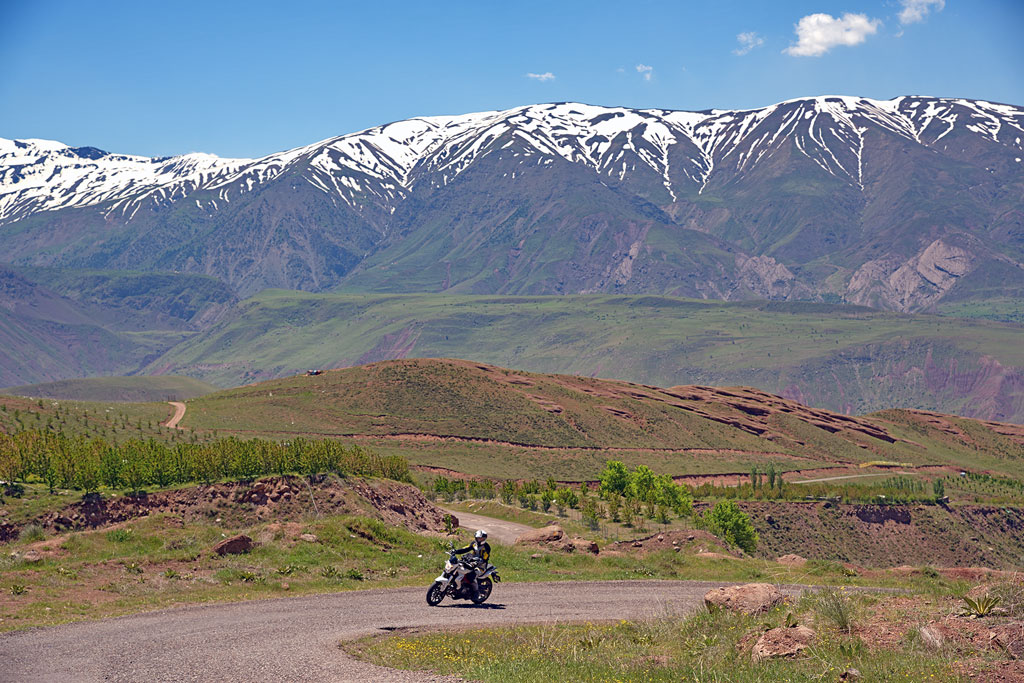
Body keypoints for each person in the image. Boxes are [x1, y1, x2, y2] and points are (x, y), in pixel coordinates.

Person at [453, 530, 490, 594]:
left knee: (471, 575)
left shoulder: (487, 547)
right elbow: (466, 549)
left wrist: (477, 562)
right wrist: (456, 551)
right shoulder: (474, 544)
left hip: (481, 566)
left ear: (484, 538)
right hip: (471, 562)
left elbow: (485, 558)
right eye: (478, 538)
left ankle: (476, 592)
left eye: (481, 538)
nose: (479, 540)